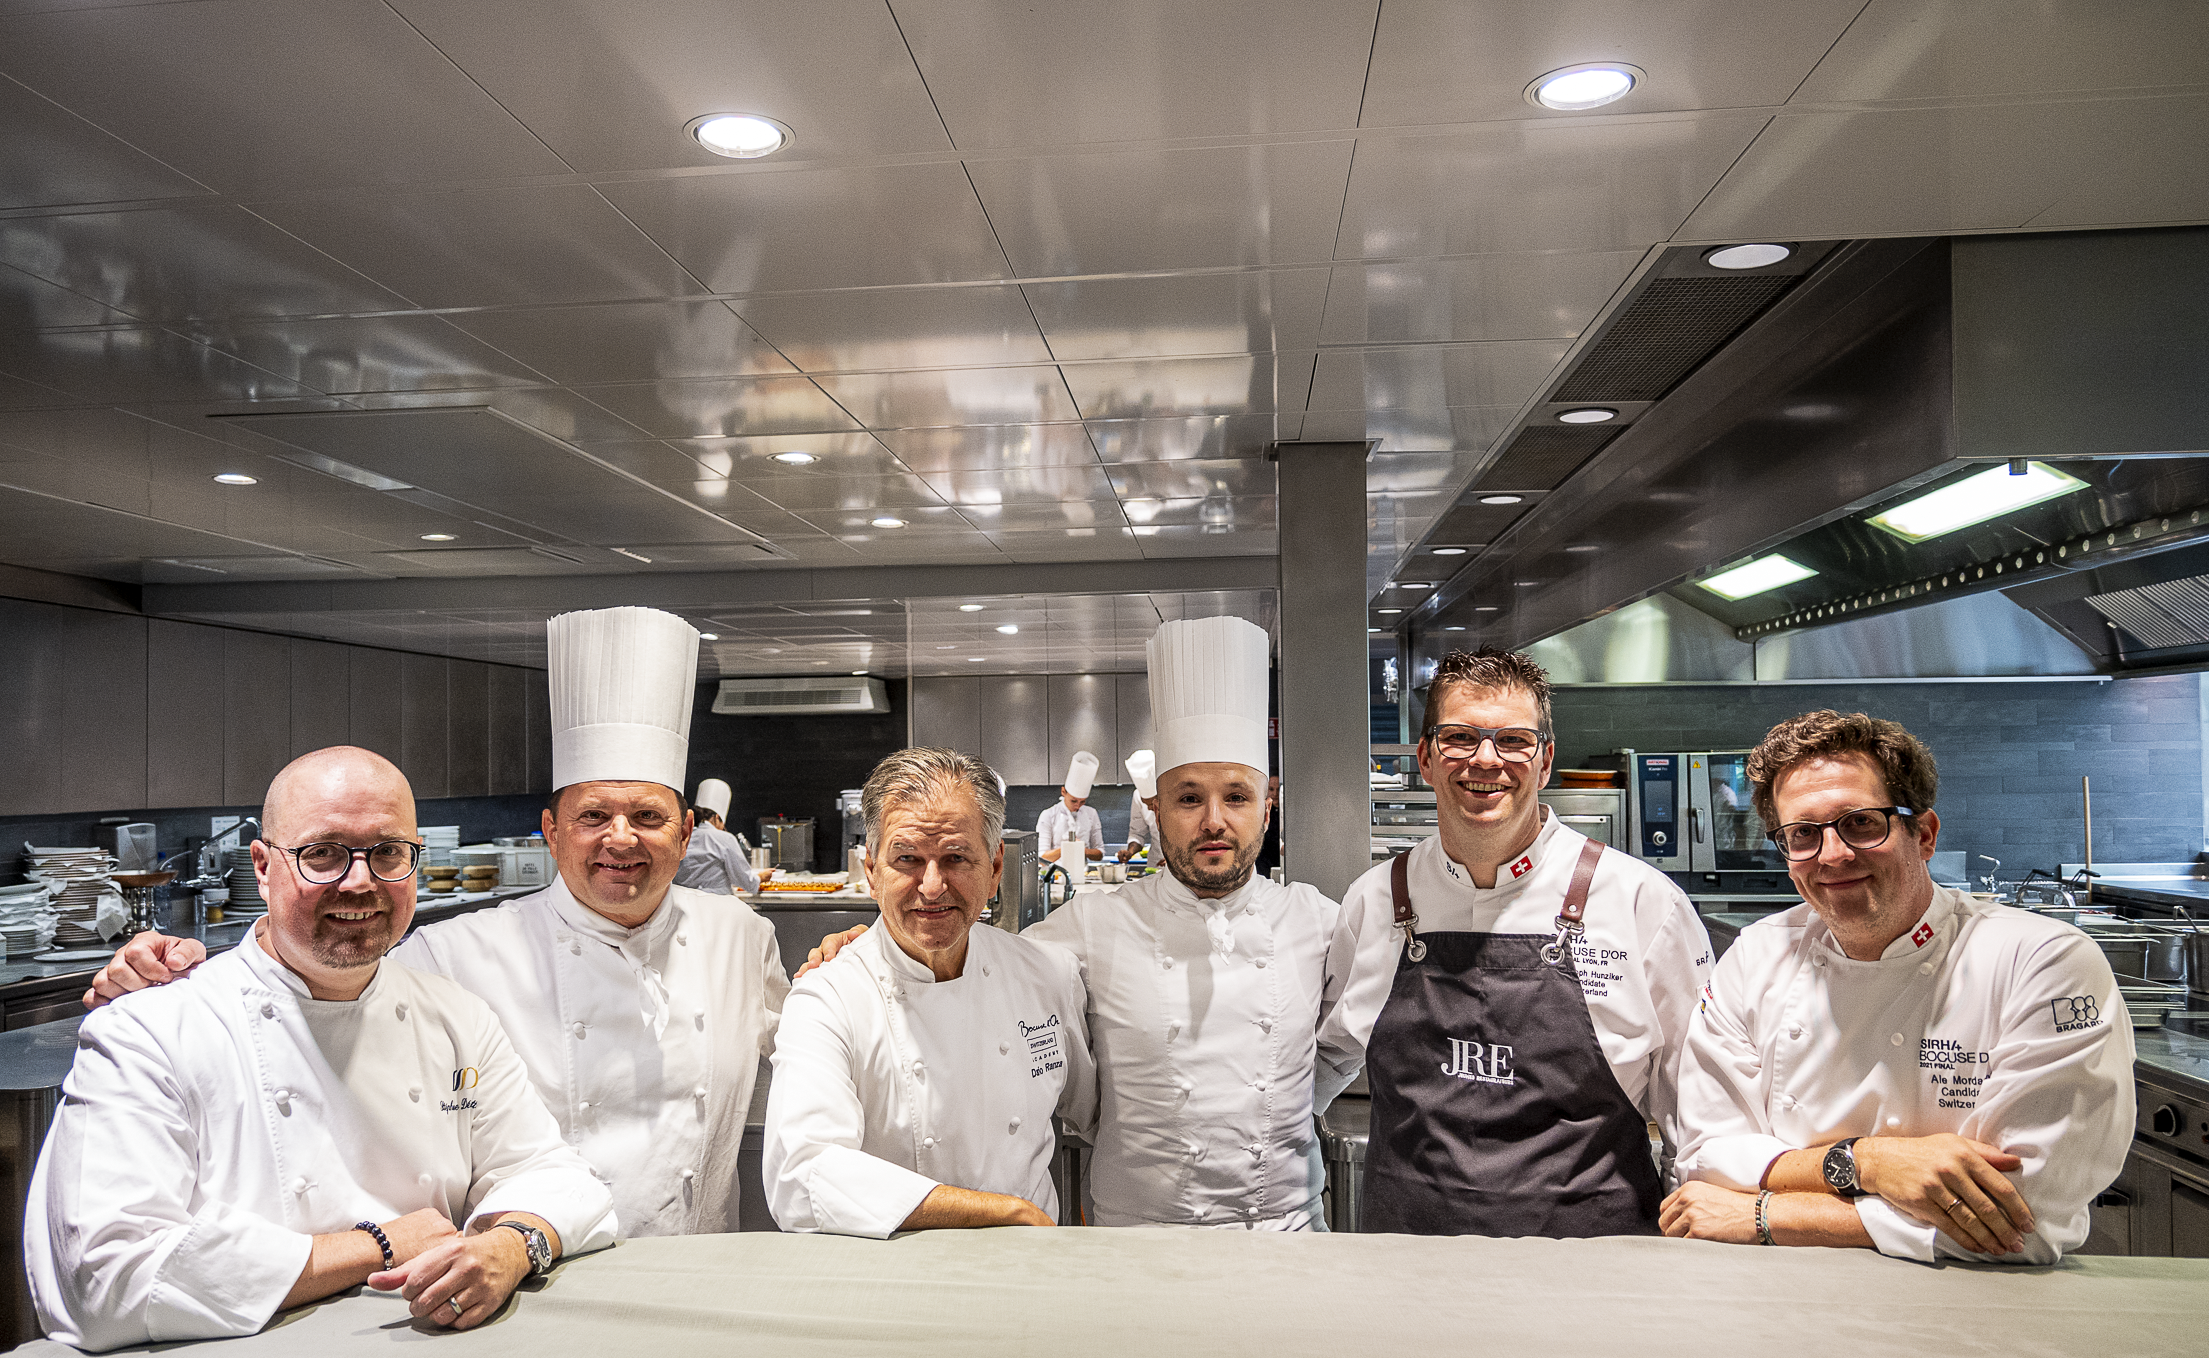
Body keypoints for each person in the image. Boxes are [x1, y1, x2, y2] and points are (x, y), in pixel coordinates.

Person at [87, 607, 789, 1237]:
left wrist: (854, 958)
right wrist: (172, 979)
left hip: (698, 1256)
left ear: (687, 830)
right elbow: (318, 986)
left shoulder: (742, 937)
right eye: (592, 816)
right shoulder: (452, 952)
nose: (620, 839)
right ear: (550, 830)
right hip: (523, 1280)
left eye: (647, 817)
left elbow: (806, 1054)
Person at [30, 748, 615, 1351]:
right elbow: (102, 1277)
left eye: (388, 852)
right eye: (323, 854)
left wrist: (511, 1243)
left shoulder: (455, 1015)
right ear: (262, 866)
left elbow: (549, 1171)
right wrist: (379, 1245)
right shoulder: (152, 1028)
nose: (360, 881)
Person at [808, 617, 1368, 1230]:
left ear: (1269, 804)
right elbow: (975, 965)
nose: (1213, 820)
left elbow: (1342, 1048)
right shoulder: (1091, 924)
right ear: (1155, 809)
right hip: (1138, 1242)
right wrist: (873, 943)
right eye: (1188, 798)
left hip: (1287, 1236)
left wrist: (1285, 1110)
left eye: (1236, 796)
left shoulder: (1321, 922)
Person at [1662, 711, 2133, 1262]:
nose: (1833, 855)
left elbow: (2021, 1214)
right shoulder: (1756, 956)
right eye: (1803, 835)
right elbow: (1709, 1156)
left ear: (1925, 834)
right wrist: (1872, 1163)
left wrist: (1770, 1211)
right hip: (1779, 1299)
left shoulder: (2041, 961)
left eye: (1862, 823)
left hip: (1976, 1312)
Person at [1336, 649, 1713, 1237]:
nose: (1486, 760)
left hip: (1595, 1273)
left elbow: (1696, 1108)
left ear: (1544, 762)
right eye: (1459, 737)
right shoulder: (1374, 901)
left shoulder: (1641, 902)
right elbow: (1320, 1062)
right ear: (1427, 759)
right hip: (1405, 1271)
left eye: (1513, 740)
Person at [764, 747, 1096, 1237]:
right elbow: (801, 1176)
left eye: (956, 857)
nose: (933, 885)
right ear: (872, 871)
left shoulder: (1047, 973)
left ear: (996, 866)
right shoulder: (828, 996)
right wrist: (1004, 1211)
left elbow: (1096, 1117)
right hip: (895, 1280)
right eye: (907, 859)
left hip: (1029, 1272)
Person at [674, 776, 760, 894]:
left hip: (685, 902)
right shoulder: (725, 838)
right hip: (718, 904)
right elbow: (745, 881)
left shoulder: (683, 837)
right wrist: (759, 878)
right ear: (717, 817)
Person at [1038, 752, 1105, 863]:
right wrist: (1067, 847)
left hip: (1084, 874)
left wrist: (1083, 850)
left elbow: (1100, 853)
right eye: (1073, 801)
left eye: (1082, 802)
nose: (1078, 806)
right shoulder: (1048, 815)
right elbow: (1042, 857)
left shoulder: (1091, 813)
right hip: (1056, 875)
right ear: (1063, 792)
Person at [1117, 750, 1157, 862]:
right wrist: (1130, 852)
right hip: (1156, 864)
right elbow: (1138, 833)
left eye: (1152, 803)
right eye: (1146, 803)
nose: (1150, 808)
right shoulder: (1137, 795)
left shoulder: (1179, 795)